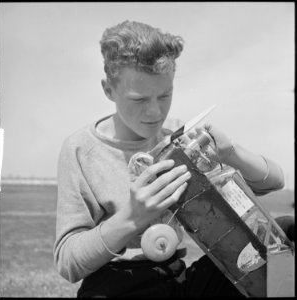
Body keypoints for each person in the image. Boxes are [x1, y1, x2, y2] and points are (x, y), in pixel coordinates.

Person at [53, 20, 293, 298]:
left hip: (178, 278)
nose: (155, 112)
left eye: (164, 96)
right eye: (139, 100)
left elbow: (273, 182)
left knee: (288, 230)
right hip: (114, 286)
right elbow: (67, 262)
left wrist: (231, 153)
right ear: (109, 90)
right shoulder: (80, 150)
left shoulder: (179, 137)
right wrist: (133, 217)